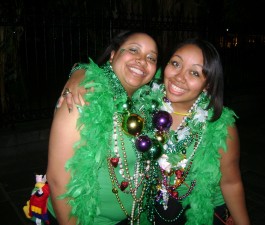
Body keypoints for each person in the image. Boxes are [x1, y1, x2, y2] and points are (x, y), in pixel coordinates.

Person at [58, 38, 251, 225]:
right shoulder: (147, 99)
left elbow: (231, 183)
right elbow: (114, 72)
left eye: (195, 73)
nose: (179, 77)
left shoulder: (219, 124)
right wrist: (80, 74)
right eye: (175, 63)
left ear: (208, 84)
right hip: (154, 208)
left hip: (202, 211)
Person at [46, 30, 161, 225]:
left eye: (151, 58)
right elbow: (58, 180)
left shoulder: (148, 103)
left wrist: (78, 69)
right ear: (113, 55)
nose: (142, 60)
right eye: (133, 50)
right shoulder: (82, 97)